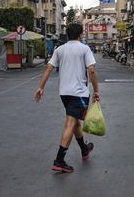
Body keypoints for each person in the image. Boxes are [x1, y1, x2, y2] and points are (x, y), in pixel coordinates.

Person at [34, 23, 100, 173]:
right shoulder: (84, 48)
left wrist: (41, 87)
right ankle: (59, 160)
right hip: (79, 93)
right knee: (70, 124)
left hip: (64, 93)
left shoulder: (60, 49)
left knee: (75, 122)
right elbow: (91, 70)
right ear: (80, 34)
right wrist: (96, 91)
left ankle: (84, 149)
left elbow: (48, 68)